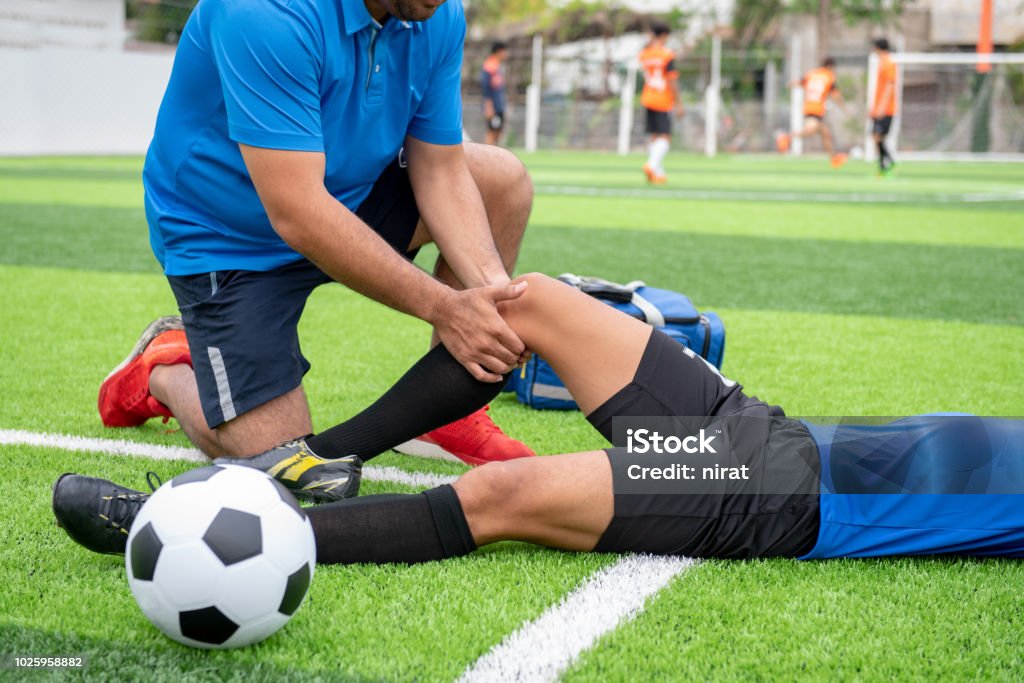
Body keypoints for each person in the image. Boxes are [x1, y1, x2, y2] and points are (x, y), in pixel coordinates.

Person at [56, 274, 1024, 561]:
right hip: (780, 431)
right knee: (528, 302)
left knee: (503, 491)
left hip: (778, 494)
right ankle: (312, 458)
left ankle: (170, 525)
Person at [98, 0, 538, 498]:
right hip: (227, 237)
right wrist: (446, 308)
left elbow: (438, 167)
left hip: (349, 193)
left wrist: (491, 299)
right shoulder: (263, 10)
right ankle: (165, 367)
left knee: (501, 180)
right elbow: (299, 212)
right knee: (280, 461)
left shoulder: (435, 12)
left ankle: (446, 415)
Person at [775, 58, 848, 168]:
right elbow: (835, 94)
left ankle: (833, 159)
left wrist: (790, 85)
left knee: (826, 134)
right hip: (817, 108)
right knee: (810, 130)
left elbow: (798, 83)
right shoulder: (829, 76)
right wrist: (843, 107)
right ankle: (786, 138)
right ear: (830, 66)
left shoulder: (812, 73)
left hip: (809, 106)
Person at [639, 24, 684, 185]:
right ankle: (651, 165)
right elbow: (672, 79)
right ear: (664, 35)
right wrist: (679, 103)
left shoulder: (645, 54)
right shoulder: (667, 55)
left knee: (654, 136)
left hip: (647, 97)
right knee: (665, 137)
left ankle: (658, 173)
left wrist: (650, 41)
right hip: (662, 99)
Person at [870, 38, 897, 175]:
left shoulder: (888, 63)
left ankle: (887, 164)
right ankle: (885, 165)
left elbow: (890, 85)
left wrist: (881, 107)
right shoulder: (883, 63)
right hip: (881, 108)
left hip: (886, 109)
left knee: (877, 136)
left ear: (877, 48)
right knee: (877, 137)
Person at [481, 42, 509, 146]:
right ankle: (486, 156)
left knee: (498, 131)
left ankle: (494, 155)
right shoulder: (489, 67)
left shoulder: (498, 67)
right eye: (505, 51)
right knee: (491, 132)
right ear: (499, 51)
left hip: (499, 106)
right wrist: (488, 107)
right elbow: (486, 89)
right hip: (493, 107)